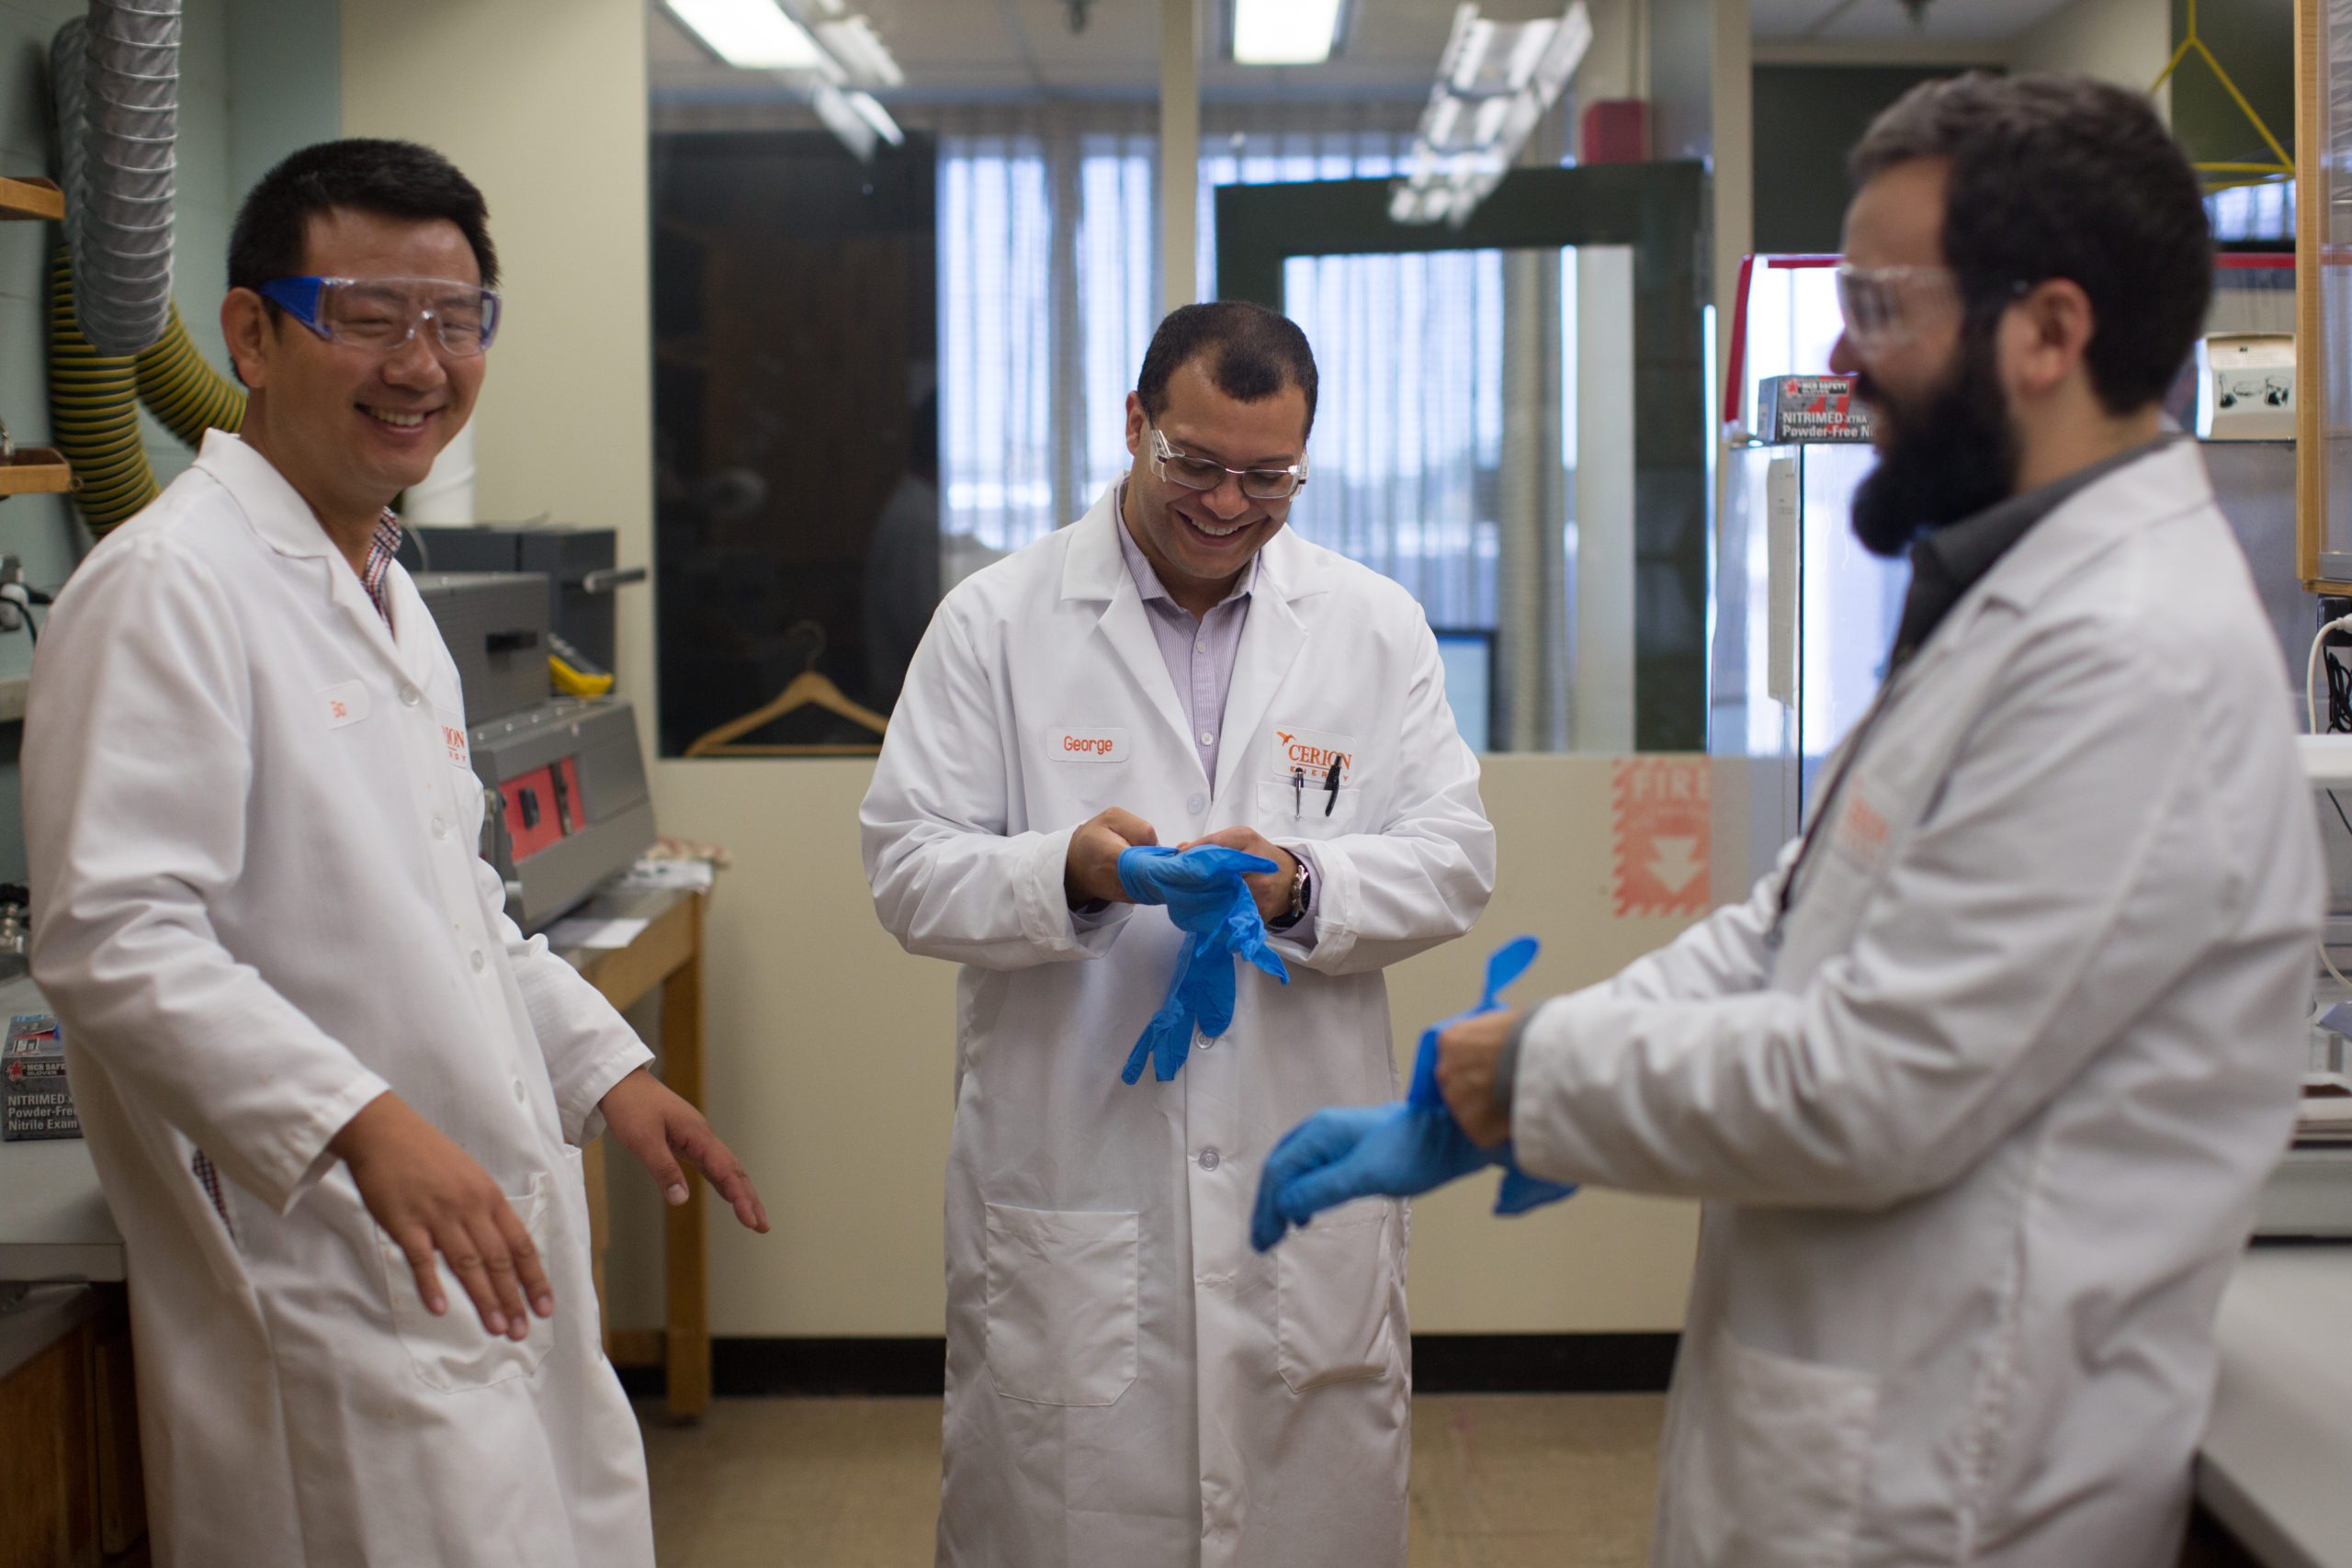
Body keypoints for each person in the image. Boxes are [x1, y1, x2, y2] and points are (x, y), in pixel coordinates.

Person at [1261, 73, 2323, 1565]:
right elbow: (1791, 926)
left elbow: (1875, 1081)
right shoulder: (2004, 599)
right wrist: (1506, 1073)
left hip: (1954, 1486)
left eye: (1884, 303)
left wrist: (1536, 1079)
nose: (1842, 350)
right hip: (1857, 1435)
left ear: (2051, 332)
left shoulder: (2126, 656)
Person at [24, 139, 768, 1567]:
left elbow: (460, 908)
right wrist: (361, 1121)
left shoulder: (379, 585)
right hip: (326, 1282)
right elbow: (114, 939)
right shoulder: (165, 591)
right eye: (367, 315)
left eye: (455, 319)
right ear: (251, 332)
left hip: (464, 1265)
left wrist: (605, 1069)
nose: (418, 362)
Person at [861, 300, 1496, 1566]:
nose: (1225, 502)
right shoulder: (998, 622)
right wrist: (1076, 874)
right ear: (1136, 424)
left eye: (1268, 476)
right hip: (1077, 1183)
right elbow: (908, 868)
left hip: (1293, 1175)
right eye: (1194, 463)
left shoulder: (1370, 626)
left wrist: (1302, 884)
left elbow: (1455, 857)